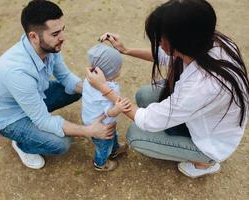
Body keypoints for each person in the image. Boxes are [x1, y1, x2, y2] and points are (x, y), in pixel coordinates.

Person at [87, 0, 249, 178]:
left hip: (211, 140)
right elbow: (166, 55)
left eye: (161, 37)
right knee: (144, 95)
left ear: (179, 42)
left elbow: (148, 120)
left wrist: (104, 88)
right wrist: (125, 50)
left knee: (135, 135)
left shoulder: (201, 87)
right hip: (204, 115)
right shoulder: (210, 41)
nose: (158, 41)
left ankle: (205, 162)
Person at [0, 0, 115, 170]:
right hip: (10, 118)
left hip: (33, 96)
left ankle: (32, 134)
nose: (63, 38)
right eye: (55, 34)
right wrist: (90, 130)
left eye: (62, 30)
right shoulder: (17, 72)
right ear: (34, 36)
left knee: (78, 89)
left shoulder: (48, 48)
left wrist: (99, 88)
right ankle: (22, 145)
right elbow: (43, 120)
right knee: (62, 144)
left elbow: (66, 77)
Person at [82, 44, 130, 171]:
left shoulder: (90, 80)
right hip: (101, 125)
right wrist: (118, 109)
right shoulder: (106, 91)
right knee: (103, 146)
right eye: (118, 68)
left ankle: (114, 150)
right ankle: (100, 163)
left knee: (113, 135)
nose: (120, 70)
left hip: (93, 119)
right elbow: (108, 112)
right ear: (110, 73)